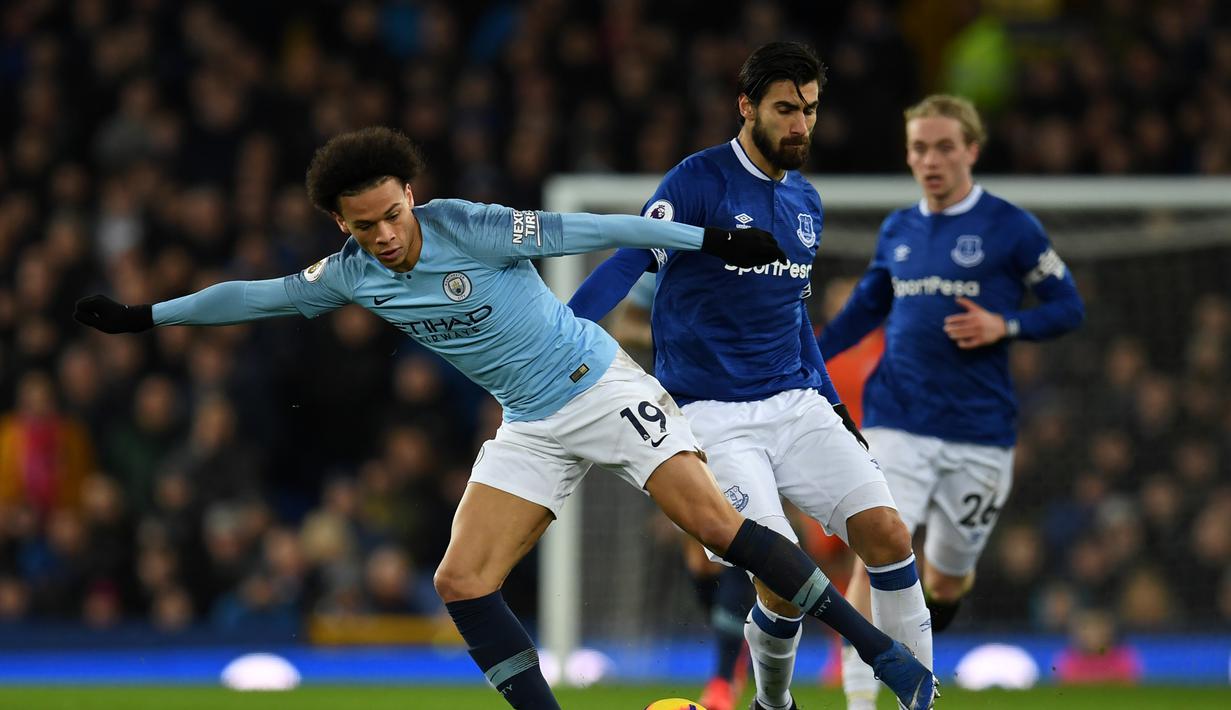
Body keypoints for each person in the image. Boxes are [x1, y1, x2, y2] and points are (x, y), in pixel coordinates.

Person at [75, 126, 936, 710]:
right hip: (529, 422)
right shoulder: (346, 271)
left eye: (392, 213)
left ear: (411, 194)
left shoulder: (471, 227)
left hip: (603, 389)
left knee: (716, 522)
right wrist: (147, 316)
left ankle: (881, 652)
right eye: (362, 224)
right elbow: (253, 296)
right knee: (460, 580)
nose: (383, 235)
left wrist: (709, 242)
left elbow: (590, 225)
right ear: (339, 224)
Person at [567, 43, 936, 710]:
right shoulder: (696, 182)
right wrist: (558, 335)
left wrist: (831, 402)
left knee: (886, 535)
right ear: (747, 107)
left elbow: (790, 312)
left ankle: (919, 702)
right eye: (785, 109)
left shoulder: (805, 203)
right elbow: (628, 262)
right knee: (778, 580)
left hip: (795, 404)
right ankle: (772, 703)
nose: (800, 125)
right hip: (710, 415)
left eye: (810, 110)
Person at [819, 94, 1084, 710]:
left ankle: (916, 638)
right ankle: (864, 704)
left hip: (979, 432)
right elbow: (864, 309)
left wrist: (1006, 327)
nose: (930, 160)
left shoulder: (1010, 227)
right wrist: (803, 355)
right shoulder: (898, 229)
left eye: (943, 147)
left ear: (971, 150)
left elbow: (1069, 306)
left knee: (945, 577)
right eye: (918, 148)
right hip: (897, 420)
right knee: (875, 551)